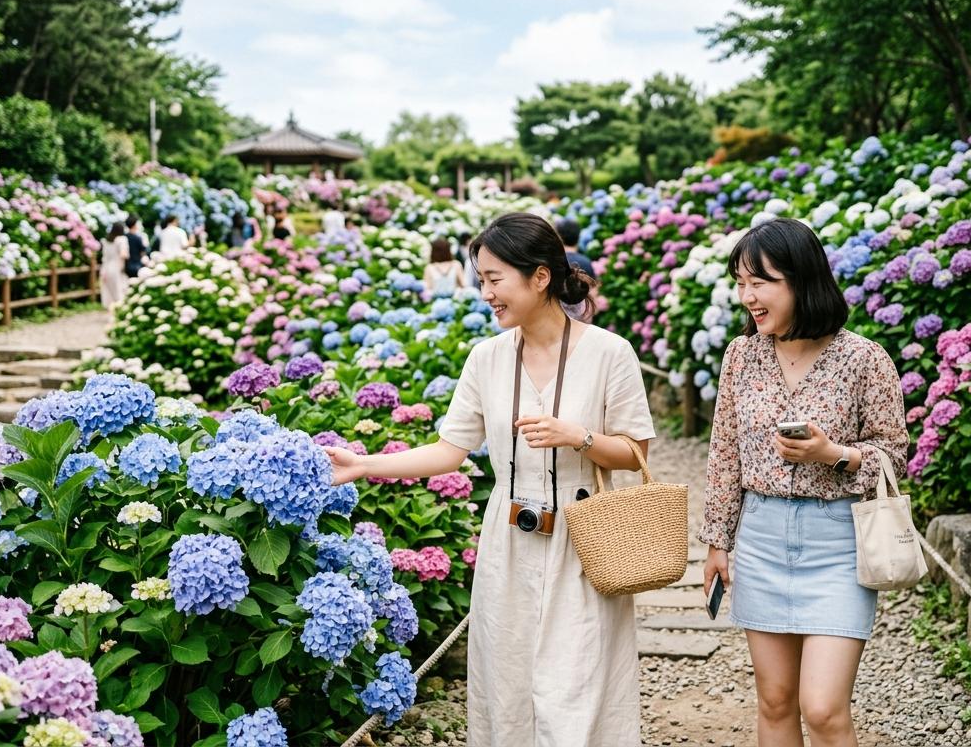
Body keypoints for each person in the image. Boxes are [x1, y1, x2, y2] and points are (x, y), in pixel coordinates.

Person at [325, 212, 657, 746]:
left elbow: (635, 453)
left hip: (585, 540)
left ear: (540, 276)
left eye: (494, 279)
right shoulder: (487, 358)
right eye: (481, 279)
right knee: (508, 684)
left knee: (580, 685)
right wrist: (365, 465)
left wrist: (578, 436)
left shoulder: (609, 353)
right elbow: (449, 450)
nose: (485, 294)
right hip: (510, 538)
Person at [699, 217, 908, 747]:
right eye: (740, 283)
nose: (747, 296)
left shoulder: (864, 358)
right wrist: (717, 542)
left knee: (824, 709)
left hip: (836, 542)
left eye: (760, 282)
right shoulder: (741, 356)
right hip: (761, 537)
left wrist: (832, 454)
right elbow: (724, 452)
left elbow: (895, 458)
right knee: (774, 701)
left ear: (801, 279)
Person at [555, 218, 597, 322]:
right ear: (578, 237)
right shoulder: (586, 262)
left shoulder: (554, 261)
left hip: (557, 319)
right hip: (581, 320)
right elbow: (593, 294)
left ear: (558, 236)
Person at [99, 222, 130, 309]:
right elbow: (124, 255)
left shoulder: (106, 241)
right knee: (120, 290)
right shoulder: (122, 239)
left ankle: (111, 310)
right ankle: (119, 310)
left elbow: (105, 257)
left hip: (106, 268)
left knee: (109, 291)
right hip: (117, 267)